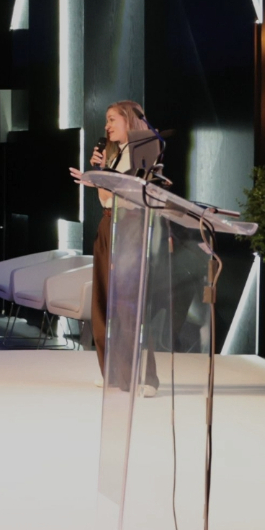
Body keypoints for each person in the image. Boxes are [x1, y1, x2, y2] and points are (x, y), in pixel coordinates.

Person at [81, 104, 156, 363]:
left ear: (129, 120)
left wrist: (101, 176)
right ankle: (111, 370)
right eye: (107, 120)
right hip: (108, 223)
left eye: (112, 119)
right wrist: (100, 172)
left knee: (127, 302)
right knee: (104, 300)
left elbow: (132, 195)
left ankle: (136, 372)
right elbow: (106, 197)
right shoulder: (114, 156)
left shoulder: (144, 152)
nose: (107, 126)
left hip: (129, 225)